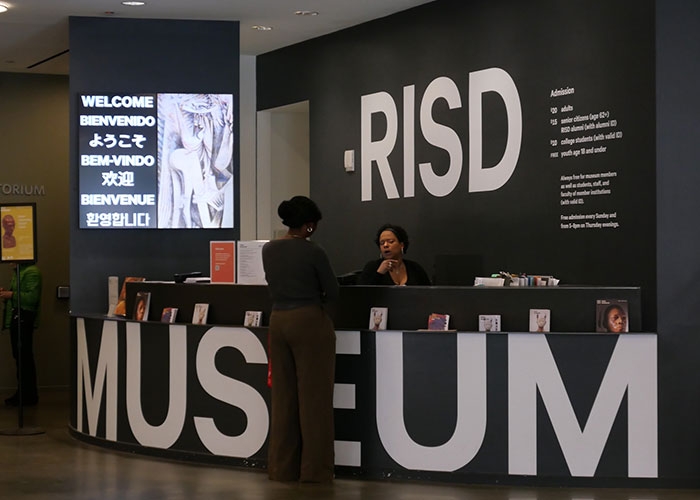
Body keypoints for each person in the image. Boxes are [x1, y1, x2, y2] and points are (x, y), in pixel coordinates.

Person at [262, 196, 339, 483]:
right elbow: (332, 291)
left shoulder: (269, 250)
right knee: (314, 401)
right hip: (308, 321)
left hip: (278, 321)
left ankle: (281, 469)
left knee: (283, 399)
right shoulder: (313, 252)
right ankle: (315, 472)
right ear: (308, 226)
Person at [1, 262, 42, 406]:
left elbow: (32, 298)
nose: (9, 262)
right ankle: (24, 393)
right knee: (20, 358)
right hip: (18, 320)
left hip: (23, 320)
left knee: (24, 358)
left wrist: (10, 294)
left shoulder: (31, 272)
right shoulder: (19, 272)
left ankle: (28, 395)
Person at [357, 224, 431, 286]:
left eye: (390, 241)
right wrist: (379, 273)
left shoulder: (415, 268)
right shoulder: (373, 267)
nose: (385, 245)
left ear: (401, 245)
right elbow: (363, 295)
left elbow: (429, 294)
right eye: (382, 243)